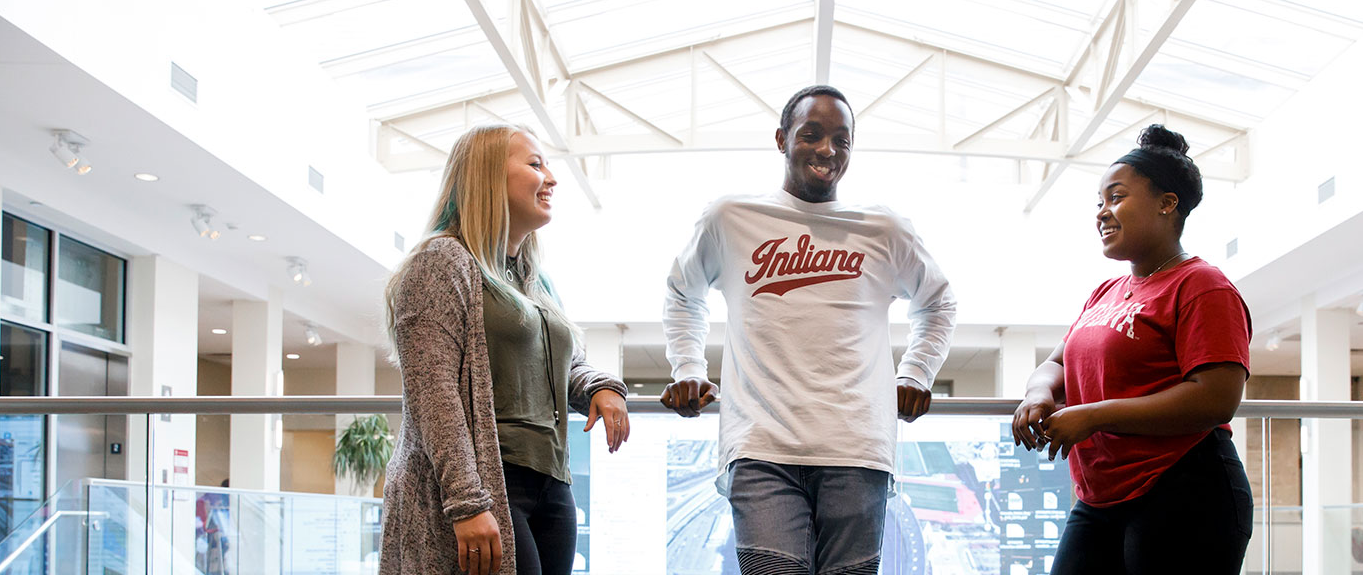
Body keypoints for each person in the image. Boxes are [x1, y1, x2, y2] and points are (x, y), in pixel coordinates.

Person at [661, 85, 957, 575]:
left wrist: (916, 373)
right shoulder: (731, 218)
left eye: (842, 140)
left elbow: (938, 301)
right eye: (812, 135)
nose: (828, 151)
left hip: (857, 448)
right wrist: (689, 366)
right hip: (761, 447)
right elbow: (682, 293)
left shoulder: (883, 228)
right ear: (782, 139)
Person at [380, 124, 631, 575]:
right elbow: (433, 394)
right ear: (488, 177)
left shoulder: (533, 276)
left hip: (552, 485)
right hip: (489, 485)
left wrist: (600, 386)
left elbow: (564, 361)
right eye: (536, 164)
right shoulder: (441, 262)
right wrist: (465, 502)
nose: (551, 178)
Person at [1011, 124, 1254, 573]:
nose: (1102, 212)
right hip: (1101, 497)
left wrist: (1095, 415)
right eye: (1100, 202)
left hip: (1185, 488)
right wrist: (1038, 394)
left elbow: (1217, 398)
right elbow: (1055, 362)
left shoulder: (1202, 285)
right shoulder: (1106, 291)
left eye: (1117, 197)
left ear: (1167, 204)